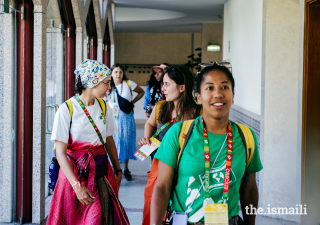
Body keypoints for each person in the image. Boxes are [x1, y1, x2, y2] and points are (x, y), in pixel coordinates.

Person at [150, 63, 263, 225]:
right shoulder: (178, 133)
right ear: (198, 97)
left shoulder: (246, 136)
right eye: (209, 88)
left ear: (233, 96)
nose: (218, 94)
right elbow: (162, 187)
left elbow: (249, 189)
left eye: (224, 87)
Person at [47, 59, 129, 225]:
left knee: (97, 218)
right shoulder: (66, 109)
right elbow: (60, 153)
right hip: (74, 175)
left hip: (100, 174)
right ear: (93, 82)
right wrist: (77, 186)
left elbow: (109, 142)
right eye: (106, 83)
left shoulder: (105, 107)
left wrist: (118, 171)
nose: (109, 87)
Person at [138, 65, 202, 225]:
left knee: (181, 208)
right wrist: (147, 137)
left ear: (182, 87)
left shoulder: (197, 113)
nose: (163, 88)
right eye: (163, 84)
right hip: (159, 165)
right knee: (153, 206)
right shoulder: (160, 107)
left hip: (185, 169)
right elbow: (149, 124)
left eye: (167, 84)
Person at [106, 63, 145, 181]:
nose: (118, 74)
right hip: (113, 118)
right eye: (116, 72)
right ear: (111, 74)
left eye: (120, 72)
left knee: (126, 142)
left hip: (126, 117)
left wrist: (133, 102)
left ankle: (125, 168)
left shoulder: (128, 83)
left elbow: (141, 92)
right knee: (115, 142)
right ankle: (114, 168)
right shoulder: (107, 86)